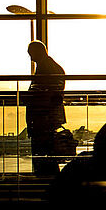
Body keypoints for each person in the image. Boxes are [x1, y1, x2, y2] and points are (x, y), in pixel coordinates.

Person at [25, 40, 66, 176]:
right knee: (48, 157)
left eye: (31, 54)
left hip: (43, 119)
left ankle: (45, 184)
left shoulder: (46, 69)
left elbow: (46, 95)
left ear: (39, 52)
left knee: (43, 156)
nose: (31, 57)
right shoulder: (53, 67)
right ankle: (49, 183)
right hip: (46, 119)